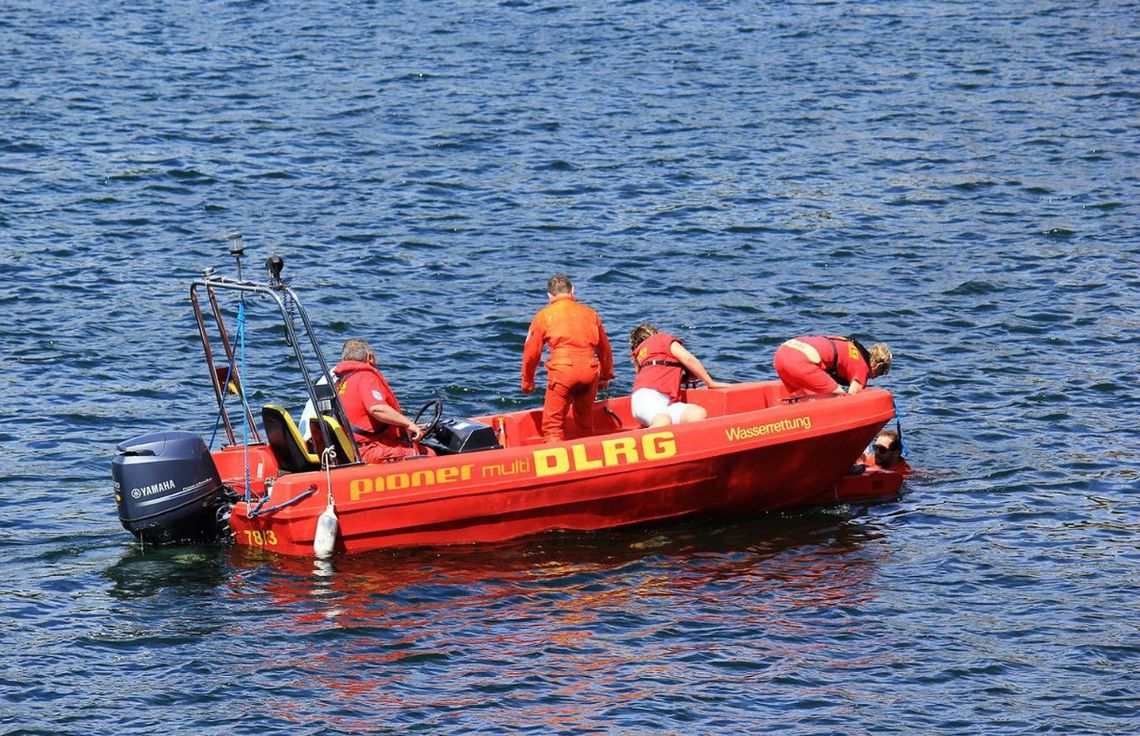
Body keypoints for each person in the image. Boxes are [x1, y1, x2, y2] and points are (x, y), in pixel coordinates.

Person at [521, 274, 615, 442]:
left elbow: (531, 353)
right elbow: (605, 348)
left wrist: (527, 382)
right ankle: (589, 460)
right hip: (589, 370)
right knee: (585, 424)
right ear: (573, 291)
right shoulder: (590, 313)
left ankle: (554, 464)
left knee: (553, 428)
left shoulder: (543, 316)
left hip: (562, 372)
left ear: (549, 295)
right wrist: (606, 375)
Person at [333, 338, 429, 463]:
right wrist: (409, 424)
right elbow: (377, 409)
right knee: (428, 454)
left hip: (350, 449)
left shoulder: (340, 382)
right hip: (367, 451)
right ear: (370, 358)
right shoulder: (365, 377)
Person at [629, 323, 728, 427]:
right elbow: (688, 359)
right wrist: (710, 382)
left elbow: (656, 374)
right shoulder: (662, 339)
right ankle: (642, 439)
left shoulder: (639, 354)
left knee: (697, 414)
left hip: (665, 403)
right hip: (648, 397)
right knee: (663, 421)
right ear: (654, 332)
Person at [773, 335, 891, 396]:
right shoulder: (862, 368)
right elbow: (853, 397)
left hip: (781, 354)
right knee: (839, 397)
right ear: (878, 365)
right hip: (800, 361)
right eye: (881, 373)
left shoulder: (850, 346)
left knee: (801, 400)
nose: (874, 378)